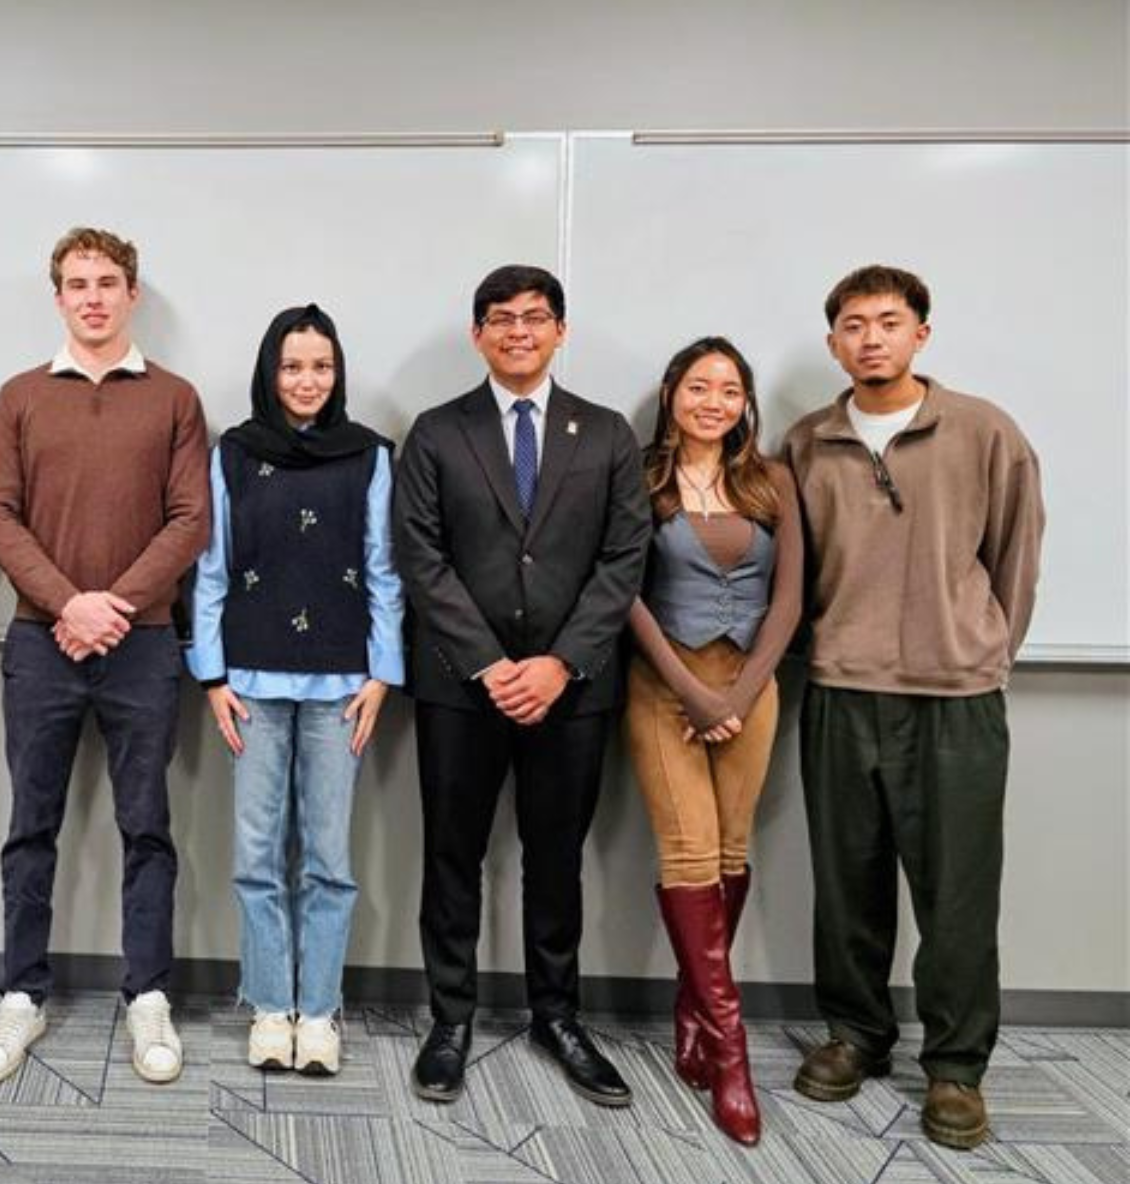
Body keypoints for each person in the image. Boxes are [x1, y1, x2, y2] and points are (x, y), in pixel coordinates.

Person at [783, 265, 1043, 1151]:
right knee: (846, 882)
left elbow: (1014, 557)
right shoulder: (807, 443)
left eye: (888, 323)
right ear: (833, 343)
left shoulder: (982, 432)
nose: (871, 339)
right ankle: (856, 1033)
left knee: (959, 892)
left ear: (921, 334)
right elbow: (794, 577)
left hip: (954, 700)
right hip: (842, 691)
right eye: (853, 325)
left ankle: (957, 1067)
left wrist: (977, 651)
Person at [393, 264, 651, 1106]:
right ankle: (451, 1018)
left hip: (572, 690)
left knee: (556, 861)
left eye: (535, 318)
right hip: (462, 690)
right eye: (500, 319)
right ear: (477, 334)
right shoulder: (436, 432)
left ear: (561, 331)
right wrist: (491, 663)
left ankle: (557, 1016)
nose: (518, 332)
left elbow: (623, 559)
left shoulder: (607, 434)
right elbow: (421, 558)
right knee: (452, 857)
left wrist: (560, 662)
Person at [0, 227, 210, 1087]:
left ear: (133, 294)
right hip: (42, 644)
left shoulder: (175, 398)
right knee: (30, 827)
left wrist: (112, 606)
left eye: (109, 282)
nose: (94, 297)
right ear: (59, 296)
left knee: (147, 827)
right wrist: (70, 603)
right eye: (77, 283)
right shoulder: (21, 397)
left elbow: (190, 520)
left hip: (143, 648)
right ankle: (20, 997)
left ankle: (147, 996)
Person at [187, 304, 401, 1076]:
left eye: (321, 366)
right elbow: (211, 569)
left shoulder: (371, 455)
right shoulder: (234, 454)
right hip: (249, 682)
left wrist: (384, 674)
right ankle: (270, 1006)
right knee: (255, 855)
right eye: (291, 366)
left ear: (336, 372)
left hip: (343, 685)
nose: (307, 381)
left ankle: (320, 1012)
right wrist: (210, 675)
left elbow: (383, 571)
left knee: (328, 859)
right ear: (268, 372)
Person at [622, 337, 802, 1145]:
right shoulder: (641, 479)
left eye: (730, 389)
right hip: (665, 691)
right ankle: (732, 1058)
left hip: (753, 692)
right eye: (699, 386)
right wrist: (695, 694)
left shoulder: (772, 482)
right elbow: (623, 594)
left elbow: (792, 600)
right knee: (690, 855)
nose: (714, 401)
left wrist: (742, 690)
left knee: (731, 852)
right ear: (672, 394)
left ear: (744, 404)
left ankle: (693, 1012)